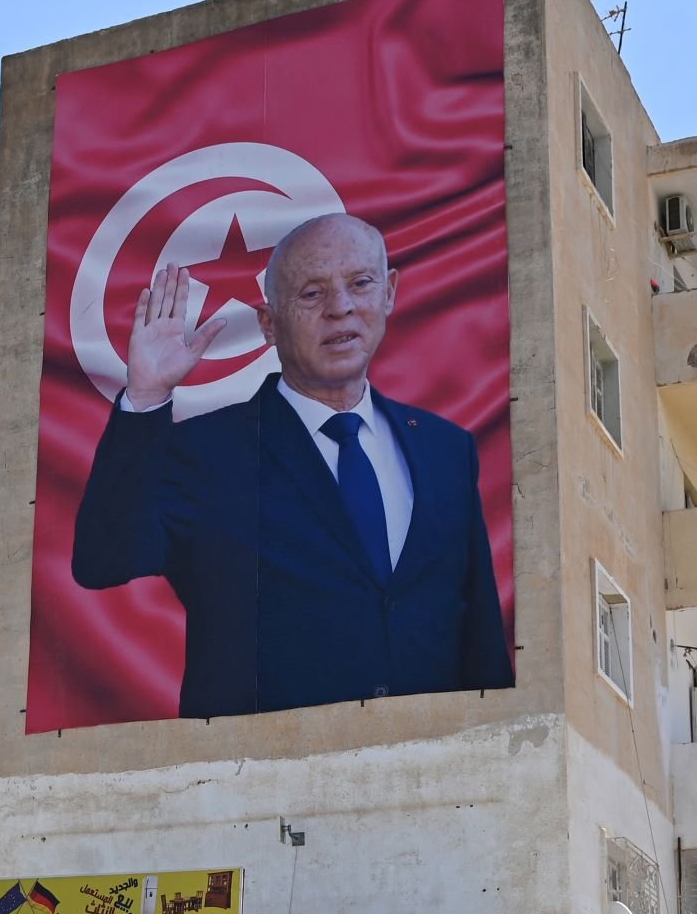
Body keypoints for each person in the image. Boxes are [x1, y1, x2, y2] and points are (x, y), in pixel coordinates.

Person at [72, 213, 513, 718]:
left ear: (389, 292)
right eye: (311, 294)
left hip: (435, 774)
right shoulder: (207, 451)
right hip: (263, 779)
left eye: (361, 283)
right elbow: (104, 559)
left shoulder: (446, 449)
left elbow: (479, 634)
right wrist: (147, 397)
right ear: (268, 323)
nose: (341, 308)